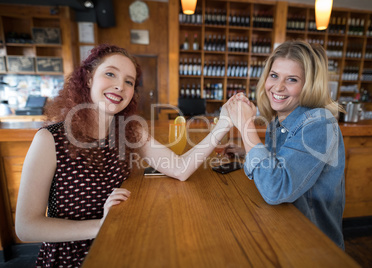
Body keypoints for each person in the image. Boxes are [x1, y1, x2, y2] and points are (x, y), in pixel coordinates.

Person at [15, 44, 232, 267]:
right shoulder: (50, 140)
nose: (120, 86)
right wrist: (101, 226)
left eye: (129, 81)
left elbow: (179, 169)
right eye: (110, 74)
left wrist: (223, 124)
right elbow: (26, 226)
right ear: (89, 78)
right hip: (74, 259)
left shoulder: (129, 131)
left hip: (121, 248)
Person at [225, 40, 346, 249]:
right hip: (282, 230)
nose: (278, 87)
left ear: (308, 84)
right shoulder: (277, 122)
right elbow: (278, 166)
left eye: (292, 79)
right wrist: (247, 151)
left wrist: (246, 126)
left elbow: (275, 189)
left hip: (314, 246)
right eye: (274, 75)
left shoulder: (319, 123)